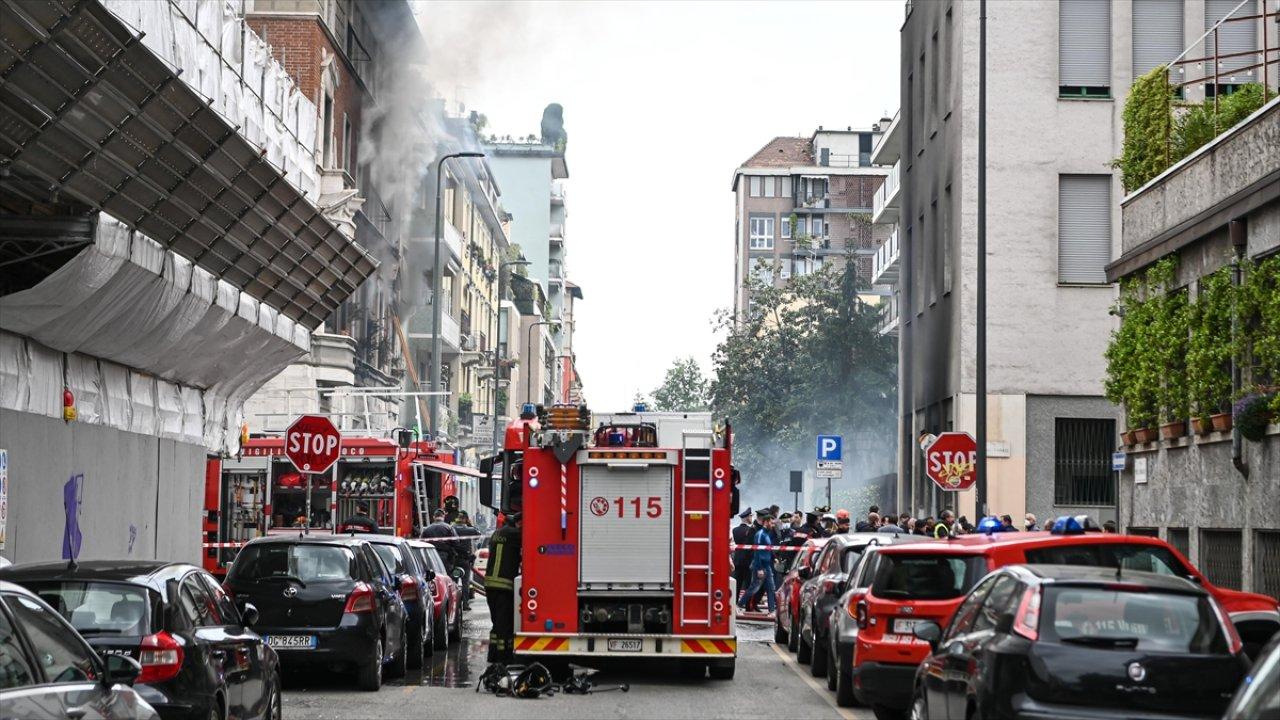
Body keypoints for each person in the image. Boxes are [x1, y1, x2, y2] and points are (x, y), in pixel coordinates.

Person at [484, 512, 522, 663]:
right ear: (518, 523)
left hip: (490, 584)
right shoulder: (514, 534)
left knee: (497, 622)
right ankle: (504, 657)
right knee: (505, 624)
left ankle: (493, 655)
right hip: (504, 585)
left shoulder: (497, 533)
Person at [738, 514, 778, 614]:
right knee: (753, 588)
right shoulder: (760, 534)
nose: (772, 525)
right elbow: (758, 552)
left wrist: (774, 558)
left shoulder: (765, 534)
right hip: (759, 566)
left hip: (767, 566)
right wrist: (759, 568)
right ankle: (739, 605)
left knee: (771, 588)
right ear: (766, 522)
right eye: (771, 523)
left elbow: (767, 550)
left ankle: (771, 611)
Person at [453, 511, 482, 610]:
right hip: (465, 560)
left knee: (453, 583)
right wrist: (470, 524)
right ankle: (465, 604)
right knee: (465, 583)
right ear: (465, 519)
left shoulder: (451, 528)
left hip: (454, 560)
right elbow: (478, 534)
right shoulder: (469, 529)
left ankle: (454, 604)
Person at [732, 508, 755, 603]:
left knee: (737, 583)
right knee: (749, 584)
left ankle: (735, 602)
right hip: (748, 561)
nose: (751, 518)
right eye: (750, 516)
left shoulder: (735, 530)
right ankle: (747, 605)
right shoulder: (751, 530)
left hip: (737, 560)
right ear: (747, 517)